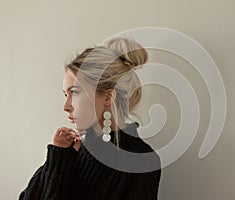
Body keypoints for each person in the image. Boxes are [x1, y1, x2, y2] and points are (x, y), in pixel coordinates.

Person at [19, 37, 161, 200]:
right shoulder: (70, 151)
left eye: (75, 92)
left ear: (108, 97)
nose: (66, 106)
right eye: (66, 94)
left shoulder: (143, 160)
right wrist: (58, 160)